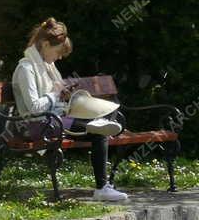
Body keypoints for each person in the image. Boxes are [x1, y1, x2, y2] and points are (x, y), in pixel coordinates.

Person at [11, 18, 127, 203]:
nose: (59, 58)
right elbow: (33, 108)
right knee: (97, 128)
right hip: (36, 125)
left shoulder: (47, 67)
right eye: (57, 53)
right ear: (46, 44)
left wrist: (63, 95)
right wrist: (55, 94)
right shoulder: (26, 68)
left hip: (55, 120)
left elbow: (52, 98)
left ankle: (102, 187)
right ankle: (97, 127)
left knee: (98, 131)